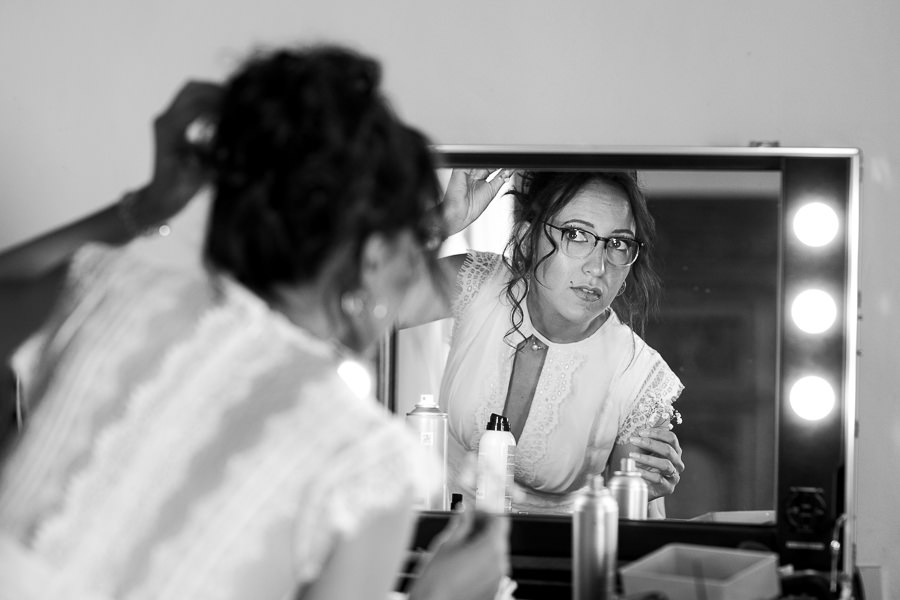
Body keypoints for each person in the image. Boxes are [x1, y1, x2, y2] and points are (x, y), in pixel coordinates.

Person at [0, 45, 509, 600]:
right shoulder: (366, 466)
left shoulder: (108, 297)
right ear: (371, 256)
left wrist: (148, 205)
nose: (418, 269)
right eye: (415, 248)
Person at [400, 169, 685, 516]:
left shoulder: (639, 376)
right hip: (433, 544)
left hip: (552, 564)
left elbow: (628, 538)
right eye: (576, 234)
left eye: (618, 243)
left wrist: (640, 493)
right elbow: (353, 300)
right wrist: (442, 221)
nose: (598, 266)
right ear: (525, 240)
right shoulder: (477, 284)